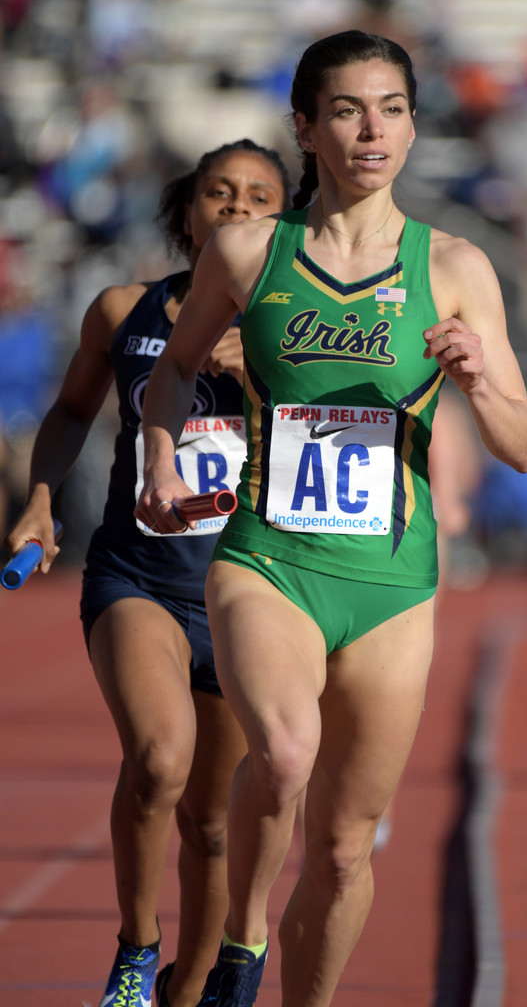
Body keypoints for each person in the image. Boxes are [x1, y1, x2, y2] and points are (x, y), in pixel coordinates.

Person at [135, 30, 527, 1007]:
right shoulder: (249, 251)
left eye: (391, 109)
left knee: (347, 846)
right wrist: (159, 459)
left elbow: (521, 444)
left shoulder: (454, 266)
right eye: (349, 110)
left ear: (413, 127)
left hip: (392, 585)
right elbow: (173, 370)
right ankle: (241, 947)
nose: (371, 130)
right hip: (268, 560)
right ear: (306, 128)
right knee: (282, 754)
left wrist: (478, 382)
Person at [3, 139, 291, 1007]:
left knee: (213, 823)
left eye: (260, 197)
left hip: (248, 590)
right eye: (219, 193)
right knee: (160, 761)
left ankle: (188, 987)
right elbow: (69, 410)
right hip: (138, 577)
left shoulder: (301, 330)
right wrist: (40, 500)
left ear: (287, 222)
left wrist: (263, 379)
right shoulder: (121, 310)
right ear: (186, 212)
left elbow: (338, 446)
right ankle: (136, 948)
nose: (237, 208)